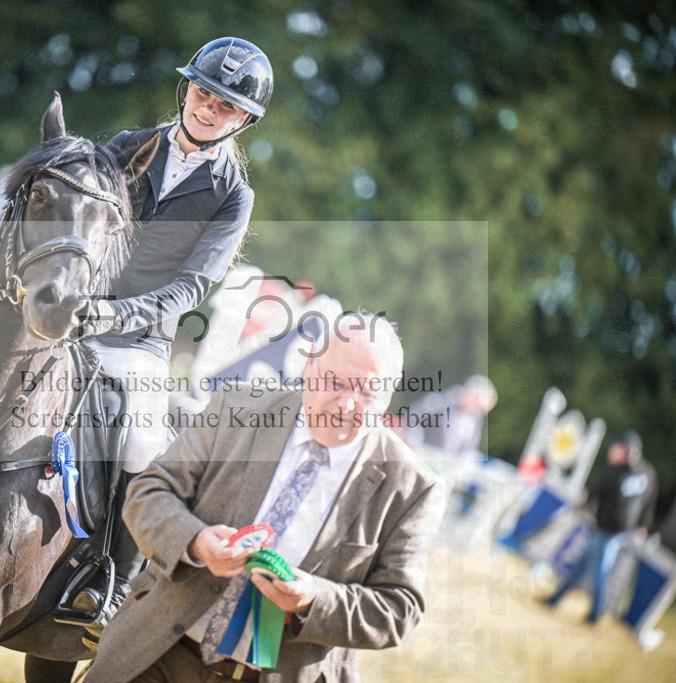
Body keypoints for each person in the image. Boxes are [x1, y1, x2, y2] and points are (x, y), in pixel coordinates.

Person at [85, 312, 447, 682]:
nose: (347, 405)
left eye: (367, 391)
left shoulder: (413, 487)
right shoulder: (237, 409)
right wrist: (196, 542)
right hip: (159, 653)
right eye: (335, 382)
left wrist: (313, 599)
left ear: (390, 393)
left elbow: (398, 609)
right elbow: (149, 491)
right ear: (309, 366)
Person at [66, 36, 274, 630]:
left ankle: (112, 583)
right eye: (205, 93)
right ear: (186, 89)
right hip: (71, 311)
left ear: (245, 119)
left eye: (227, 106)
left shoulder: (233, 197)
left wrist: (115, 317)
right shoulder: (128, 147)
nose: (210, 109)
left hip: (140, 342)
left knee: (139, 446)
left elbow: (190, 290)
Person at [543, 430, 658, 623]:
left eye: (616, 447)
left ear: (626, 449)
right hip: (601, 527)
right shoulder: (614, 471)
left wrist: (642, 525)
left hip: (616, 533)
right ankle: (555, 599)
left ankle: (596, 615)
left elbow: (648, 502)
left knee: (600, 573)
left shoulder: (645, 473)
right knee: (581, 565)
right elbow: (595, 492)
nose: (611, 451)